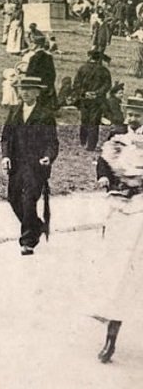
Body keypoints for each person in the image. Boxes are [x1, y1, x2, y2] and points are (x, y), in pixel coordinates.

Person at [90, 95, 143, 363]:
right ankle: (110, 334)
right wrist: (104, 176)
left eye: (139, 115)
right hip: (118, 206)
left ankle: (114, 332)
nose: (133, 119)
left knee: (131, 271)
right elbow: (103, 161)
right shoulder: (117, 135)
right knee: (114, 268)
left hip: (140, 208)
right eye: (130, 114)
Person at [0, 75, 60, 256]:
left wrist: (48, 157)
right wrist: (5, 156)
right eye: (21, 89)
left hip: (35, 166)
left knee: (28, 201)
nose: (24, 93)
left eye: (28, 89)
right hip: (16, 165)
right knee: (13, 198)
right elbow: (6, 137)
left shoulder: (45, 114)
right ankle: (36, 225)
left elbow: (52, 142)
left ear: (37, 92)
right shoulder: (14, 111)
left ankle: (28, 241)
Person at [73, 49, 112, 152]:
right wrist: (97, 93)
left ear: (89, 57)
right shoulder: (104, 71)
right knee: (94, 122)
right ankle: (91, 145)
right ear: (99, 59)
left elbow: (76, 84)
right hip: (97, 100)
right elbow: (107, 85)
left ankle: (83, 141)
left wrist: (84, 93)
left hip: (84, 99)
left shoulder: (82, 69)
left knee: (84, 119)